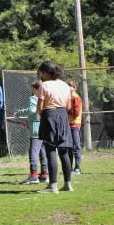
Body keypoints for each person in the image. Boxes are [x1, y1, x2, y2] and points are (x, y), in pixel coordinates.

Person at [35, 61, 73, 194]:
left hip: (49, 115)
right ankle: (68, 184)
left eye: (41, 72)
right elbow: (68, 107)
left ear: (45, 72)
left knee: (50, 150)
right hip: (63, 115)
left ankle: (53, 185)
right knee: (63, 151)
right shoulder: (65, 85)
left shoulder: (43, 85)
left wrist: (42, 115)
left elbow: (39, 108)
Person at [15, 80, 49, 184]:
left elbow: (31, 110)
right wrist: (28, 123)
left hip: (36, 131)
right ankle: (44, 175)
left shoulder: (33, 98)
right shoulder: (46, 98)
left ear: (35, 89)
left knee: (33, 152)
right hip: (44, 128)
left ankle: (33, 176)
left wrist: (19, 113)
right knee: (43, 152)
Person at [67, 80, 83, 174]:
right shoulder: (68, 97)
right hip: (68, 124)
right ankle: (69, 168)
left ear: (75, 88)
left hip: (74, 125)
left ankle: (77, 168)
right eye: (67, 86)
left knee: (76, 147)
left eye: (70, 86)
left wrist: (67, 111)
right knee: (69, 147)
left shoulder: (76, 97)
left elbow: (76, 113)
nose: (68, 88)